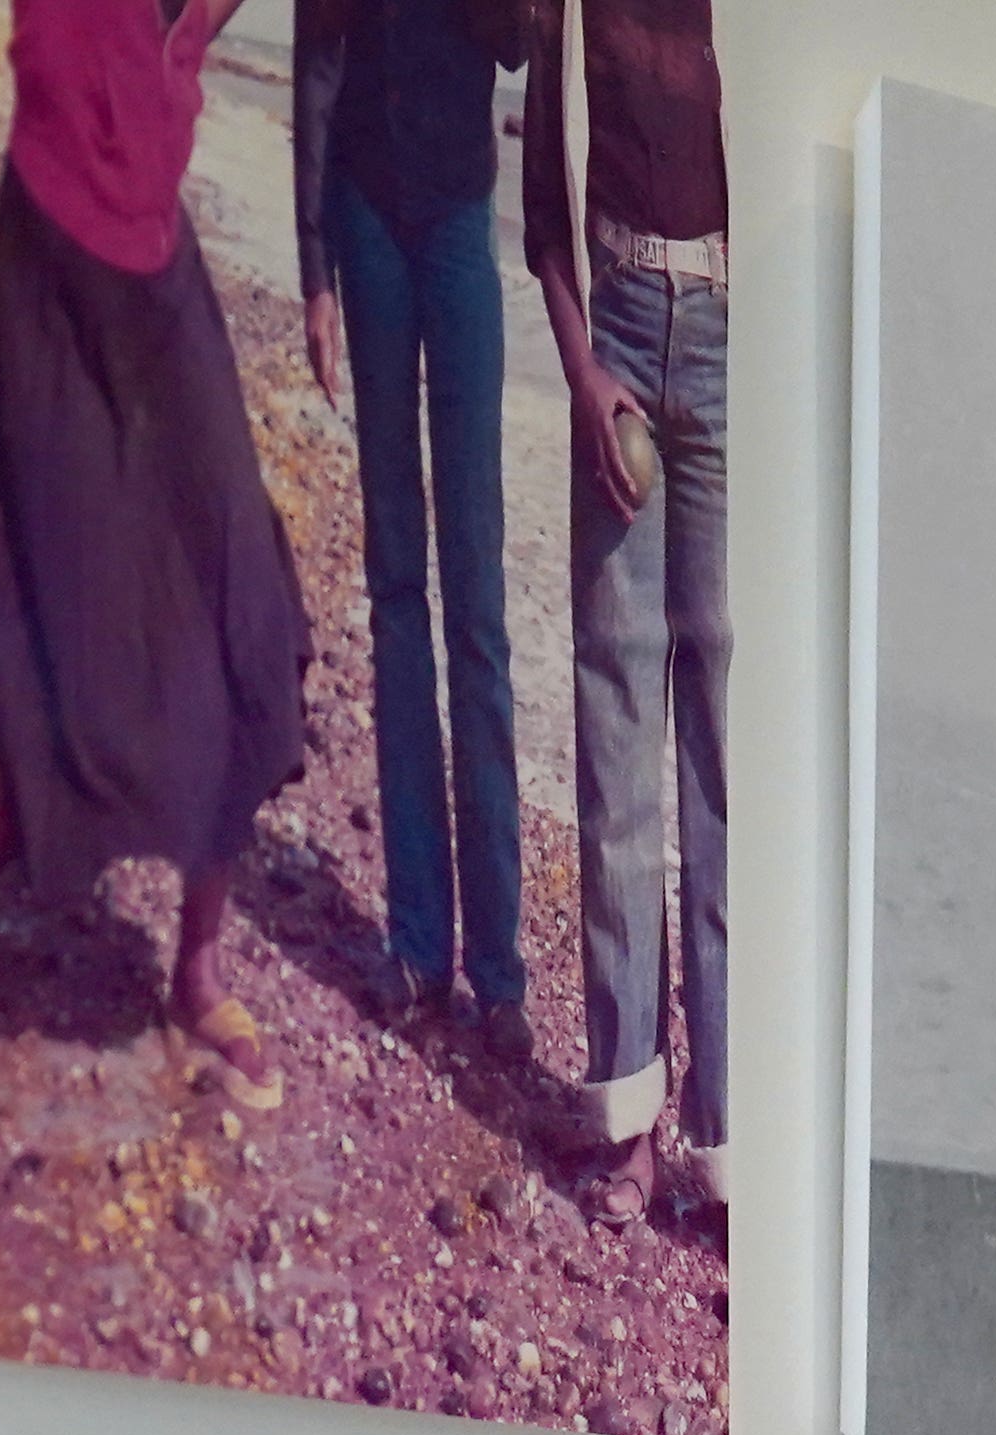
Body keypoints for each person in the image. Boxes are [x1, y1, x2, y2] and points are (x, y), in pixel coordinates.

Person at [0, 0, 313, 1110]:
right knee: (73, 617)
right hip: (55, 265)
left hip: (157, 264)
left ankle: (197, 969)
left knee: (248, 608)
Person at [523, 0, 725, 1229]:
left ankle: (728, 1133)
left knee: (724, 745)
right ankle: (629, 1120)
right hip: (621, 339)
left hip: (730, 342)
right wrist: (584, 372)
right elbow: (544, 217)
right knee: (616, 729)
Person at [295, 0, 527, 1049]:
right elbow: (313, 63)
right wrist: (312, 274)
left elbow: (523, 37)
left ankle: (500, 971)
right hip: (365, 218)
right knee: (397, 587)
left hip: (459, 223)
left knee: (477, 600)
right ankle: (419, 948)